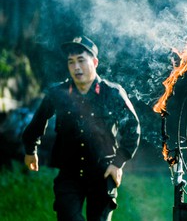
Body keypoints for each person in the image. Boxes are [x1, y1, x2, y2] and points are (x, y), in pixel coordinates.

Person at [22, 35, 141, 221]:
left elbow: (132, 128)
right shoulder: (58, 93)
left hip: (103, 172)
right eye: (71, 62)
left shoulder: (113, 93)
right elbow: (37, 122)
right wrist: (30, 150)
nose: (76, 67)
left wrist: (118, 162)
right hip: (69, 173)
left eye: (81, 61)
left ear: (94, 62)